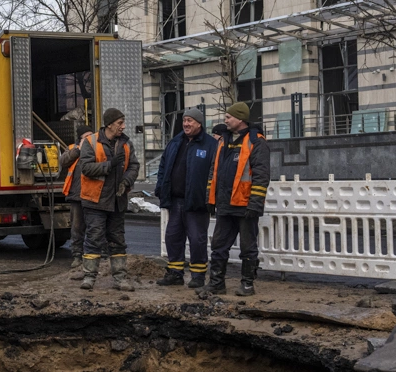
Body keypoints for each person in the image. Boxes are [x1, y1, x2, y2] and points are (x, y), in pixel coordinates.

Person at [200, 102, 270, 297]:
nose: (225, 119)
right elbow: (213, 173)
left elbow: (261, 176)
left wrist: (255, 204)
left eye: (229, 117)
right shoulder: (223, 141)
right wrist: (210, 199)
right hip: (225, 204)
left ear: (240, 119)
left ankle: (247, 285)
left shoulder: (256, 142)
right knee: (218, 246)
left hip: (245, 205)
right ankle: (216, 284)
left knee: (248, 248)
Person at [77, 108, 140, 291]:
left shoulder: (125, 144)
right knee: (94, 238)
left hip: (117, 201)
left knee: (117, 240)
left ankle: (120, 278)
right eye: (120, 123)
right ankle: (89, 277)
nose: (123, 126)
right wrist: (110, 165)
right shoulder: (91, 142)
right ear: (110, 124)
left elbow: (134, 166)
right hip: (95, 201)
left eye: (123, 122)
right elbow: (86, 168)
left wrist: (126, 181)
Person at [154, 108, 217, 288]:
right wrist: (161, 187)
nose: (186, 124)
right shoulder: (175, 142)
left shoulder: (210, 145)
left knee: (197, 240)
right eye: (184, 120)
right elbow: (163, 166)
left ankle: (198, 276)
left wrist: (209, 197)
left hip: (197, 203)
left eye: (190, 121)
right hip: (175, 201)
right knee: (173, 237)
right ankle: (175, 273)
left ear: (199, 123)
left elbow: (215, 173)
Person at [59, 125, 103, 280]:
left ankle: (96, 255)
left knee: (94, 227)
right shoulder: (74, 149)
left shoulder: (98, 148)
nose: (90, 138)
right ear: (80, 138)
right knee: (77, 227)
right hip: (77, 196)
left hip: (92, 195)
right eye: (87, 136)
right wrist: (78, 149)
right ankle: (77, 256)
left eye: (92, 135)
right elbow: (63, 161)